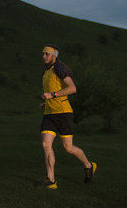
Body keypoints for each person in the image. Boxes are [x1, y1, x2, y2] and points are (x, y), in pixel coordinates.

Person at [38, 44, 95, 189]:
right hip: (49, 114)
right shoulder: (46, 72)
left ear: (54, 55)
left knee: (68, 148)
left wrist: (52, 95)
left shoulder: (59, 69)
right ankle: (51, 181)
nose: (43, 56)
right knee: (46, 145)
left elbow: (72, 88)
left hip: (63, 113)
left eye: (46, 54)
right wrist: (46, 103)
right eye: (43, 54)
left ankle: (88, 165)